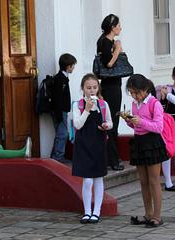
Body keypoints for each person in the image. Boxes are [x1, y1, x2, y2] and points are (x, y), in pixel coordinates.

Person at [125, 74, 168, 228]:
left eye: (136, 92)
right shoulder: (134, 104)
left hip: (152, 143)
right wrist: (129, 121)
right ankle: (148, 213)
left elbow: (158, 127)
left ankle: (157, 216)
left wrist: (140, 121)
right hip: (139, 142)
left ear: (144, 89)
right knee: (143, 181)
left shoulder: (154, 103)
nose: (134, 96)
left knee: (154, 181)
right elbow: (137, 126)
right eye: (131, 92)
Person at [72, 74, 113, 224]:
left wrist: (106, 126)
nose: (92, 90)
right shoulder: (78, 105)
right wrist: (87, 110)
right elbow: (77, 124)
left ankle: (97, 211)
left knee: (98, 178)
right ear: (83, 89)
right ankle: (87, 211)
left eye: (94, 87)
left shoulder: (103, 104)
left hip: (98, 143)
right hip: (83, 145)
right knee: (87, 180)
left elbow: (110, 122)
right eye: (88, 88)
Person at [96, 14, 124, 171]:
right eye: (118, 25)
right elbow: (109, 64)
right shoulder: (105, 42)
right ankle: (113, 160)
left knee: (113, 119)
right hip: (111, 86)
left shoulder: (107, 41)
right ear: (112, 27)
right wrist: (118, 48)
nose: (120, 28)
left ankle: (111, 157)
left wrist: (117, 46)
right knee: (112, 120)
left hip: (112, 85)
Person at [50, 53, 77, 163]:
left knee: (60, 134)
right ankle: (58, 158)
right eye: (73, 65)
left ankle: (54, 158)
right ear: (68, 66)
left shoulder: (63, 78)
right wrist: (60, 115)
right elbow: (58, 98)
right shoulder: (60, 79)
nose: (74, 68)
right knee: (62, 134)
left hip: (61, 111)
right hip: (59, 112)